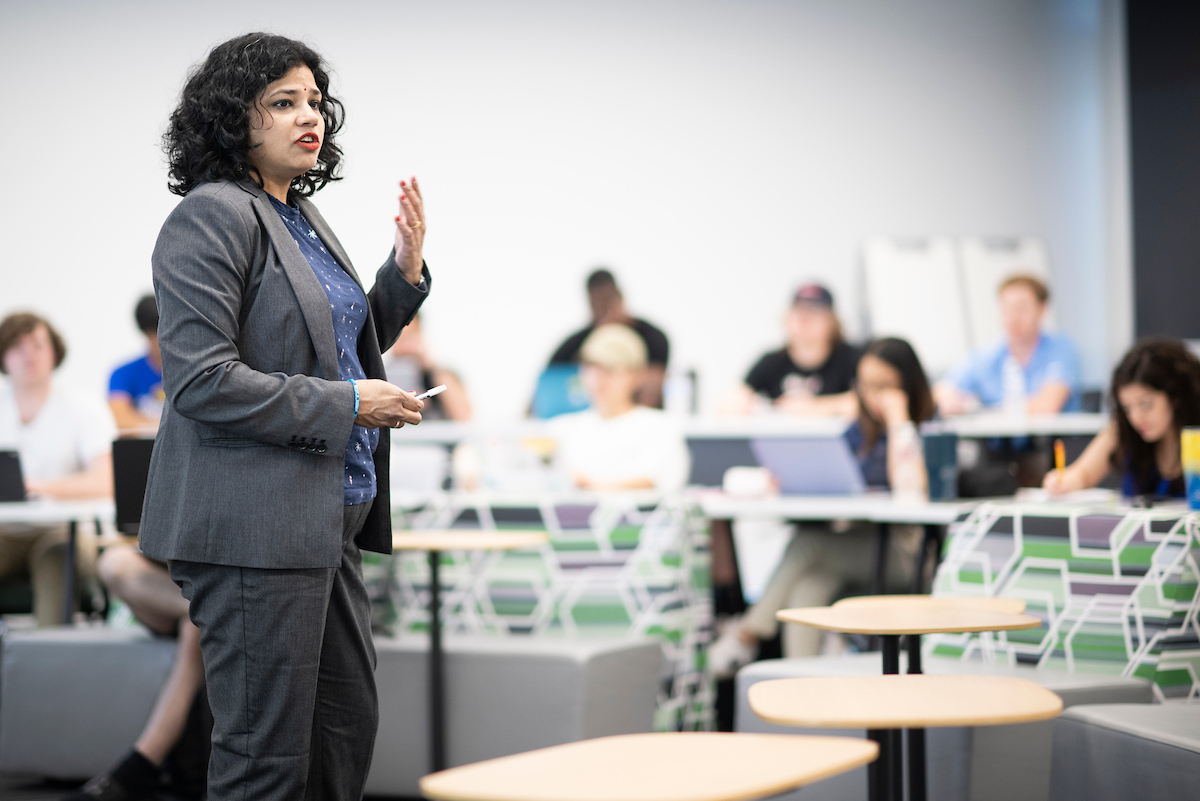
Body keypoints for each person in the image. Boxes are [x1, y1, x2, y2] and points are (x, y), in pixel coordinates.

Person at [138, 34, 430, 801]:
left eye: (314, 102)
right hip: (253, 526)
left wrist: (400, 279)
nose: (311, 118)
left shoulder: (299, 216)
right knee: (266, 760)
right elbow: (202, 381)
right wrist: (351, 402)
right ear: (236, 118)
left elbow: (330, 343)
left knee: (343, 733)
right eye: (283, 102)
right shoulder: (211, 216)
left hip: (324, 519)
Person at [708, 337, 935, 673]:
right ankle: (802, 687)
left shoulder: (927, 425)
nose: (873, 396)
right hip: (862, 544)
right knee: (808, 588)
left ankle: (747, 634)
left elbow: (910, 488)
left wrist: (899, 419)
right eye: (865, 385)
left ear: (907, 384)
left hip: (907, 551)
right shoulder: (860, 430)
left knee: (808, 545)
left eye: (884, 386)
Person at [0, 312, 114, 626]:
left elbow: (105, 481)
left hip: (63, 530)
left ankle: (47, 661)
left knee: (57, 559)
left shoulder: (84, 408)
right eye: (17, 347)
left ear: (54, 352)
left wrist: (39, 487)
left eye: (37, 345)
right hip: (6, 531)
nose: (29, 355)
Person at [66, 546, 205, 801]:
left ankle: (141, 765)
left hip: (219, 574)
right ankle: (202, 611)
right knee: (113, 562)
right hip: (175, 581)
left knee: (193, 625)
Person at [1044, 339, 1200, 499]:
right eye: (1127, 408)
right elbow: (1083, 474)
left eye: (1146, 404)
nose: (1136, 417)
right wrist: (1063, 481)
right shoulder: (1122, 429)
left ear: (1175, 397)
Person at [550, 324, 689, 491]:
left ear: (637, 375)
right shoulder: (562, 428)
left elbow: (653, 484)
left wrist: (589, 487)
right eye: (591, 368)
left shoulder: (659, 428)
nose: (598, 380)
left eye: (610, 370)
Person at [935, 274, 1081, 414]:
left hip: (1055, 438)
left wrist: (984, 411)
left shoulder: (1061, 349)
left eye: (1021, 308)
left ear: (1041, 309)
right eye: (1006, 308)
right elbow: (941, 390)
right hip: (999, 439)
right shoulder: (988, 355)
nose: (1013, 317)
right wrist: (956, 402)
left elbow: (1048, 405)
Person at [722, 283, 860, 417]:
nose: (804, 321)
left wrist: (816, 407)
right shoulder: (772, 361)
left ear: (832, 321)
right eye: (799, 314)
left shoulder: (851, 359)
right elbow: (733, 399)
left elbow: (867, 402)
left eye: (814, 314)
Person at [547, 269, 670, 408]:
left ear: (620, 298)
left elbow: (654, 386)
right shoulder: (578, 342)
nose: (605, 313)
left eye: (608, 302)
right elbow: (545, 382)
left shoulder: (653, 337)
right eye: (597, 306)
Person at [382, 312, 472, 421]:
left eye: (409, 336)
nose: (403, 343)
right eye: (398, 336)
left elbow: (464, 418)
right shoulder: (383, 377)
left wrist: (430, 370)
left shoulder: (439, 375)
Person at [109, 295, 165, 432]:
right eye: (154, 332)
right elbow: (120, 419)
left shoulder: (191, 371)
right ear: (146, 333)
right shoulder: (123, 373)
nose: (161, 338)